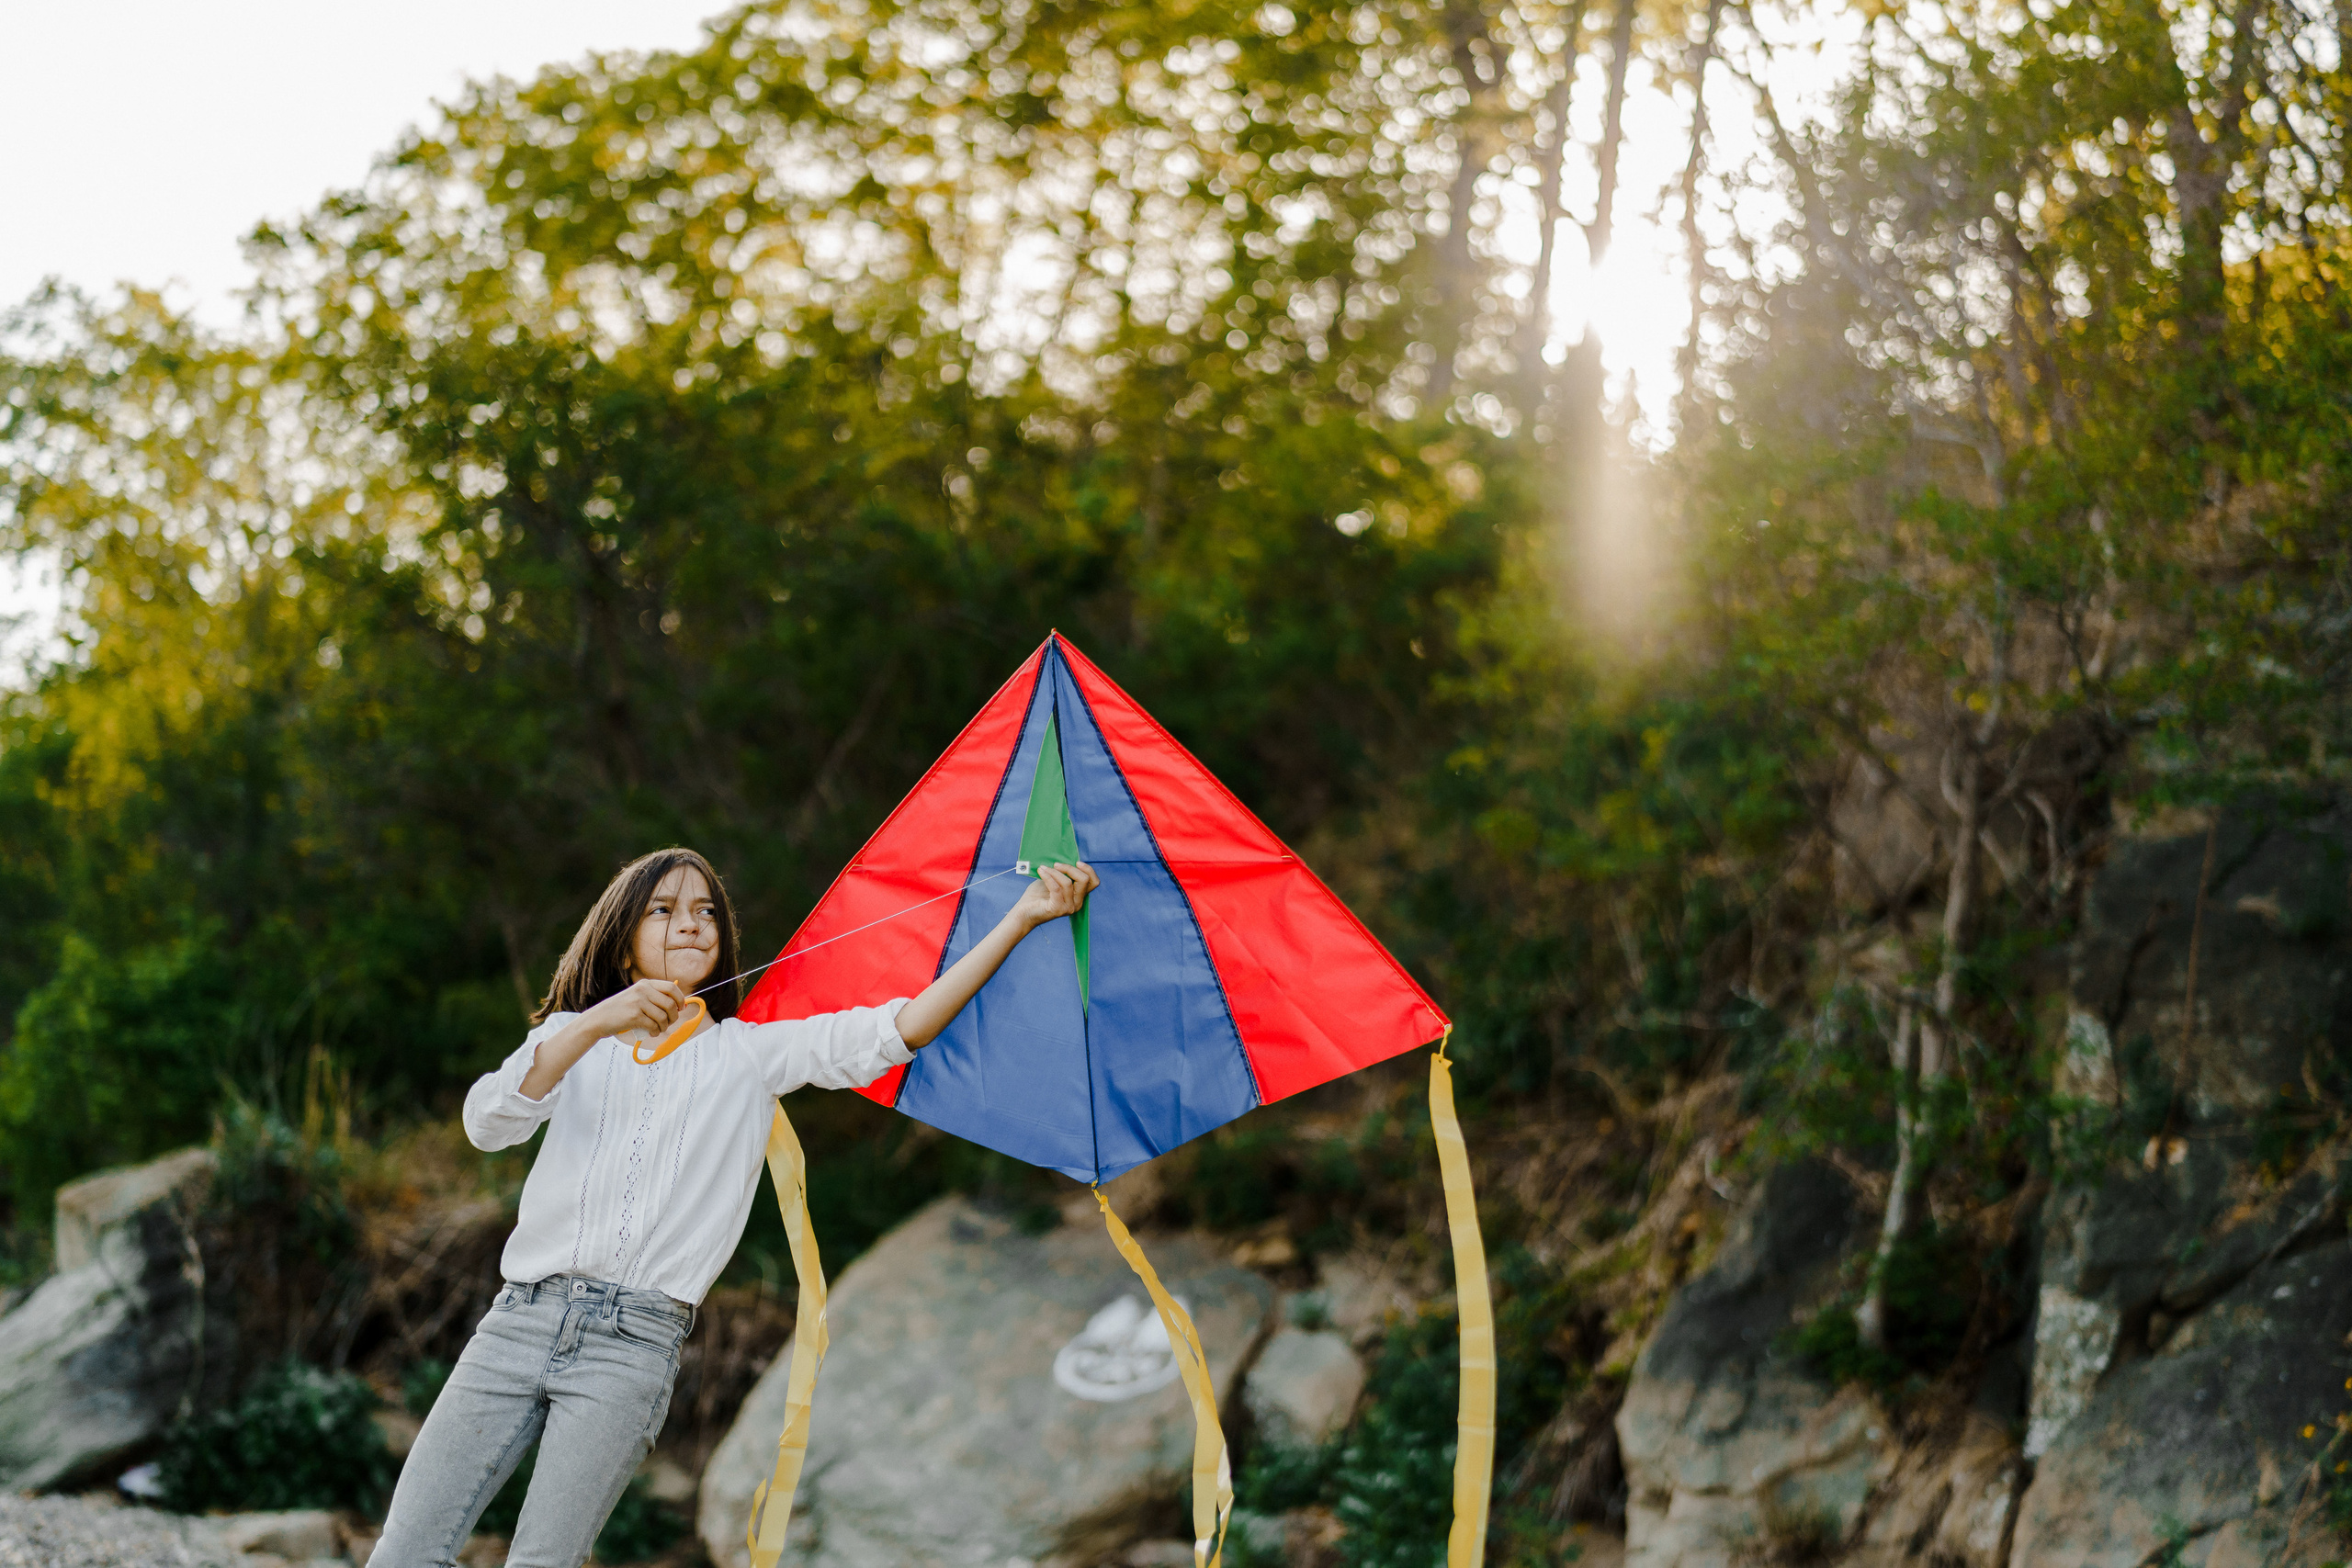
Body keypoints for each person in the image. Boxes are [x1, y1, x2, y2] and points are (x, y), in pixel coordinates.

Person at [369, 846, 1097, 1568]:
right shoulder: (570, 1041)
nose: (690, 924)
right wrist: (591, 1022)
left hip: (633, 1346)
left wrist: (1023, 917)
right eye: (663, 910)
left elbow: (901, 1028)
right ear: (622, 944)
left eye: (705, 911)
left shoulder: (751, 1055)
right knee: (403, 1553)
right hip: (519, 1320)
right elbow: (487, 1124)